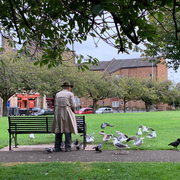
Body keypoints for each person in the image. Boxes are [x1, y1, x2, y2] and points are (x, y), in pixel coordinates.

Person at [51, 81, 78, 152]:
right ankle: (68, 147)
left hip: (58, 113)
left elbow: (55, 104)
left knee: (59, 129)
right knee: (67, 130)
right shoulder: (70, 94)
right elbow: (73, 105)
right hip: (67, 112)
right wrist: (73, 111)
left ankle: (57, 147)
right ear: (69, 88)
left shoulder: (57, 94)